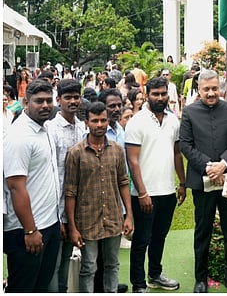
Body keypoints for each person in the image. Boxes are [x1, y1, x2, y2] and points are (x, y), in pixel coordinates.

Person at [180, 70, 227, 293]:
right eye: (206, 89)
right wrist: (209, 166)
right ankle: (200, 278)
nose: (211, 93)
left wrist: (223, 164)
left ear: (221, 88)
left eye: (214, 88)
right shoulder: (189, 112)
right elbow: (186, 145)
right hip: (203, 180)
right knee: (203, 230)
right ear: (198, 89)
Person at [64, 101, 134, 293]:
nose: (100, 125)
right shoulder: (75, 153)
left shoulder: (117, 150)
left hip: (112, 217)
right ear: (86, 122)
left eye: (103, 120)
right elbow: (70, 192)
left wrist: (128, 215)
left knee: (112, 265)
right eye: (95, 121)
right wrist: (73, 227)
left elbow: (123, 182)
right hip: (87, 220)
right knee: (89, 267)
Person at [126, 77, 187, 292]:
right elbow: (132, 160)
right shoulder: (137, 122)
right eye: (155, 94)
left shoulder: (173, 120)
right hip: (144, 193)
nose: (160, 98)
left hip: (167, 191)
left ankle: (155, 274)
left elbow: (177, 153)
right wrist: (142, 193)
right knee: (141, 240)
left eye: (163, 94)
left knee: (160, 236)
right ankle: (138, 283)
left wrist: (182, 183)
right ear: (147, 93)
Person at [3, 80, 61, 293]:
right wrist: (30, 230)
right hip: (26, 231)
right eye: (39, 101)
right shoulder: (19, 136)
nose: (45, 105)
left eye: (48, 100)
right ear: (25, 102)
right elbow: (16, 187)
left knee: (40, 286)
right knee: (23, 288)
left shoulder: (42, 127)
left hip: (48, 225)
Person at [46, 79, 85, 293]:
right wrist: (59, 217)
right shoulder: (51, 129)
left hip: (77, 206)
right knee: (55, 262)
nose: (72, 101)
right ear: (58, 100)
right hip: (56, 209)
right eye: (67, 98)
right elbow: (52, 174)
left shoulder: (81, 127)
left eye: (76, 97)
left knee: (67, 259)